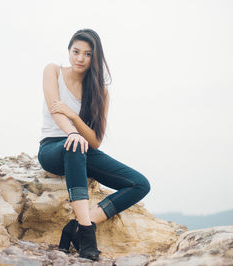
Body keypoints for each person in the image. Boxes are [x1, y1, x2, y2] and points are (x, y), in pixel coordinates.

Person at [37, 28, 151, 261]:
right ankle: (88, 237)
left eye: (87, 54)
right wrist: (71, 133)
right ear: (69, 51)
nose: (80, 58)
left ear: (95, 58)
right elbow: (55, 110)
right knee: (75, 145)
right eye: (76, 52)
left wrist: (76, 118)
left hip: (82, 148)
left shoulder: (100, 92)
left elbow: (95, 141)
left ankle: (78, 225)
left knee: (139, 184)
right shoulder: (53, 71)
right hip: (52, 148)